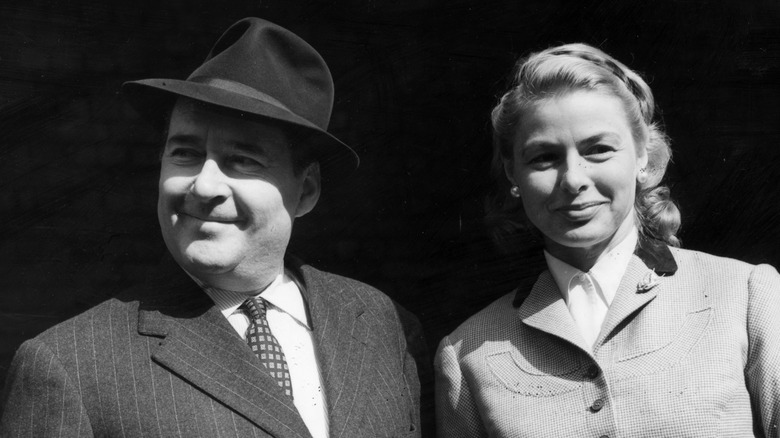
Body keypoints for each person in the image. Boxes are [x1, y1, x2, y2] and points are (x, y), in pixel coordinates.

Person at [0, 17, 422, 438]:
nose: (204, 186)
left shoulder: (382, 324)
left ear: (306, 190)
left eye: (242, 160)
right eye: (185, 152)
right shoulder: (69, 364)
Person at [435, 43, 780, 437]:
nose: (574, 179)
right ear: (514, 175)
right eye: (544, 158)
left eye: (598, 149)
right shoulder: (467, 354)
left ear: (642, 158)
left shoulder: (744, 296)